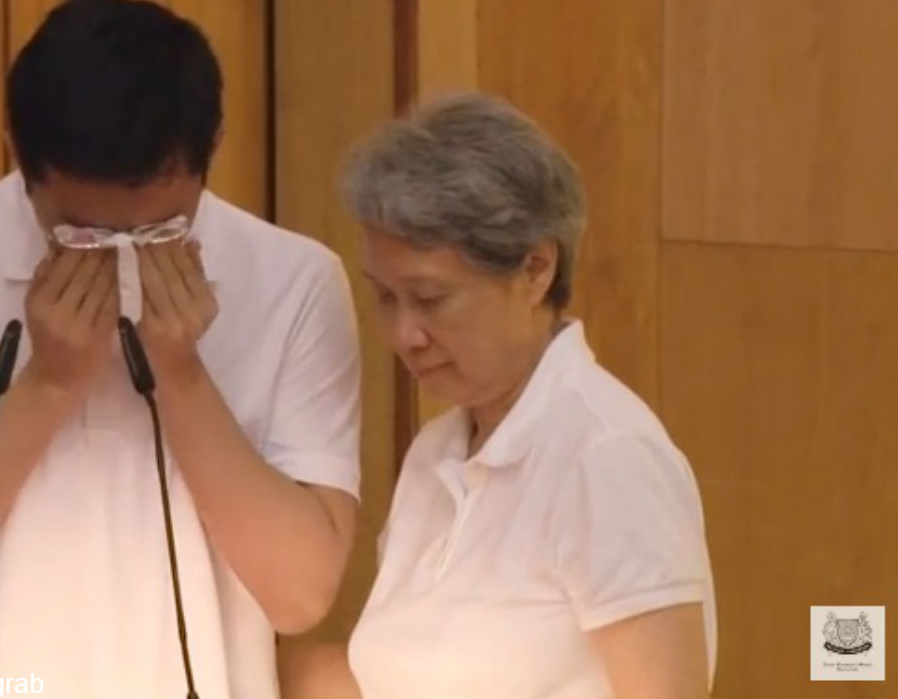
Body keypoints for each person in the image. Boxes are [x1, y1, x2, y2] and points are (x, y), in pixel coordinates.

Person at [0, 0, 361, 698]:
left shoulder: (296, 281)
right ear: (18, 153)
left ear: (213, 150)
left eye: (159, 229)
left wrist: (182, 377)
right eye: (80, 231)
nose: (120, 252)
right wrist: (47, 384)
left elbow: (300, 596)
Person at [281, 93, 716, 699]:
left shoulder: (606, 455)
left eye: (430, 298)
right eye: (385, 297)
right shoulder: (435, 452)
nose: (404, 333)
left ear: (535, 270)